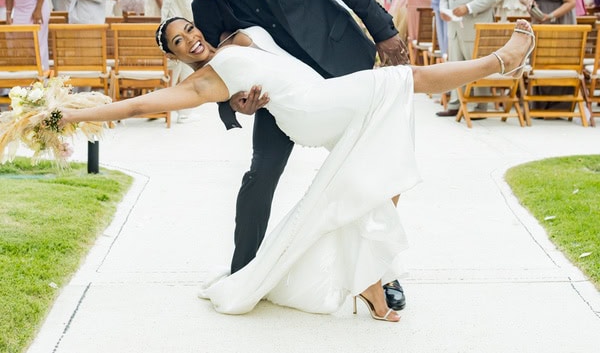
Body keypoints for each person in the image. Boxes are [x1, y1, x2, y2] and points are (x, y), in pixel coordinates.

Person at [59, 16, 535, 320]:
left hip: (323, 97)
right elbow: (138, 107)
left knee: (381, 173)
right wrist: (73, 115)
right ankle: (502, 60)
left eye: (189, 30)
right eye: (180, 43)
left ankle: (370, 281)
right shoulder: (204, 82)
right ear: (177, 57)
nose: (191, 41)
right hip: (311, 110)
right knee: (402, 80)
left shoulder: (238, 36)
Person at [173, 0, 409, 312]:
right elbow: (218, 67)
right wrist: (237, 102)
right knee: (260, 174)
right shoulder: (206, 7)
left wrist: (384, 32)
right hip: (281, 97)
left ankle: (380, 273)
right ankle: (245, 273)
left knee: (370, 170)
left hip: (342, 67)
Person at [437, 0, 500, 117]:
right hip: (454, 24)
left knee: (477, 64)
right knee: (455, 64)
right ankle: (456, 103)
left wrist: (469, 7)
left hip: (475, 24)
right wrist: (444, 9)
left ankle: (480, 106)